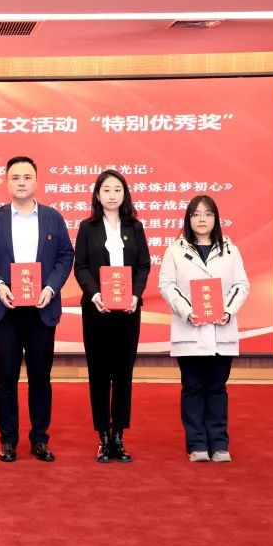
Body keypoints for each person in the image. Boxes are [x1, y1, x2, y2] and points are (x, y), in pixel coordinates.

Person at [0, 156, 74, 463]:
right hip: (6, 309)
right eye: (15, 177)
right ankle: (8, 440)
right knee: (6, 377)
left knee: (40, 377)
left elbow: (65, 256)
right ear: (7, 182)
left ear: (36, 181)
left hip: (42, 308)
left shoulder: (53, 218)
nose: (21, 182)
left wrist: (50, 288)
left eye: (27, 177)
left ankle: (40, 439)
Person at [158, 195, 250, 463]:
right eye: (196, 214)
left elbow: (241, 285)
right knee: (193, 387)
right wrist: (188, 311)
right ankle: (197, 443)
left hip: (222, 330)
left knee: (217, 388)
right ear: (188, 219)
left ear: (216, 219)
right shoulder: (175, 251)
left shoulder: (231, 250)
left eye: (208, 214)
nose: (202, 219)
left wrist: (227, 310)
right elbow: (167, 285)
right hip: (190, 331)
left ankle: (219, 444)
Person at [73, 169, 151, 463]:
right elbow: (81, 266)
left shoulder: (136, 227)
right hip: (97, 311)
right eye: (106, 190)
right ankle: (103, 437)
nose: (112, 195)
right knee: (99, 375)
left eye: (117, 189)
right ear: (97, 194)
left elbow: (143, 265)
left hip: (128, 311)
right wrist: (95, 294)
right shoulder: (87, 227)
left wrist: (136, 295)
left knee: (123, 375)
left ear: (125, 194)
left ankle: (119, 435)